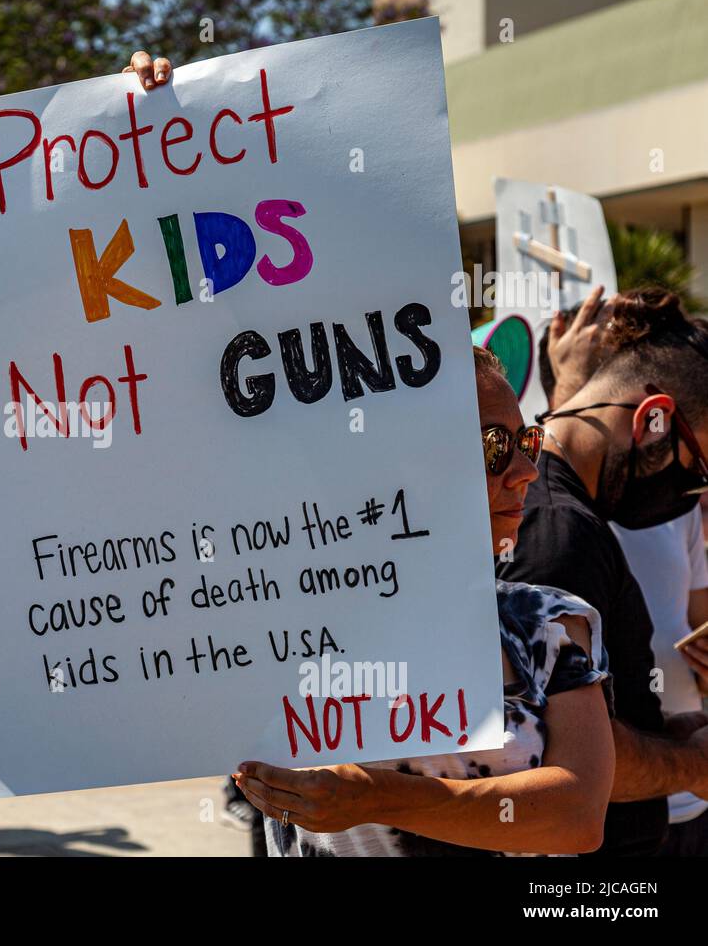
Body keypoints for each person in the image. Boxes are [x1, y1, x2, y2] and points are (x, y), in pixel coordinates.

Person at [234, 348, 615, 855]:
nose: (526, 470)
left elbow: (577, 815)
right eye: (493, 446)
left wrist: (378, 798)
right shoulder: (274, 622)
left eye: (527, 441)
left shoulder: (547, 624)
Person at [495, 286, 708, 854]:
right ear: (654, 422)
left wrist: (670, 731)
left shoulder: (556, 506)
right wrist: (693, 763)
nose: (693, 495)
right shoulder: (560, 532)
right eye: (700, 469)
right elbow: (558, 754)